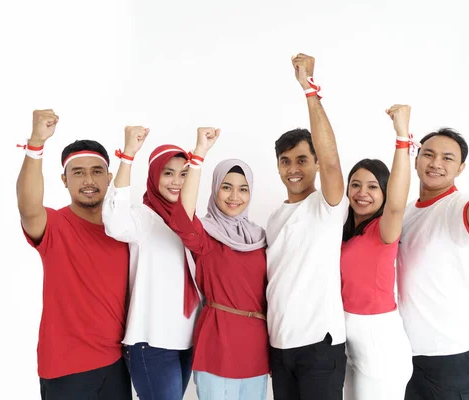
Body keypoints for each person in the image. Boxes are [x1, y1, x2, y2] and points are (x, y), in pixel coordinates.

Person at [16, 109, 132, 400]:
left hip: (118, 363)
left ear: (108, 177)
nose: (88, 180)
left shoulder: (126, 229)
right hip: (67, 368)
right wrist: (36, 144)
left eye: (95, 171)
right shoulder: (54, 225)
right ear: (64, 180)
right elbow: (28, 208)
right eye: (77, 173)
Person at [398, 100, 469, 399]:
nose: (436, 163)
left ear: (460, 168)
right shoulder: (406, 213)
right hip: (412, 359)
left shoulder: (457, 207)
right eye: (429, 154)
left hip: (456, 358)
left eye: (448, 158)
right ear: (416, 158)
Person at [162, 127, 269, 400]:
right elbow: (183, 216)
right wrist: (199, 154)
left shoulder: (261, 237)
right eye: (227, 187)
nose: (235, 197)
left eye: (243, 189)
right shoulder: (206, 235)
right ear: (215, 189)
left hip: (256, 346)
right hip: (218, 344)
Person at [265, 53, 348, 400]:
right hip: (279, 347)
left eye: (302, 159)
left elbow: (332, 162)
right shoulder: (273, 217)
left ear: (314, 162)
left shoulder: (326, 206)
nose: (293, 168)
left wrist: (309, 90)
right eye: (285, 161)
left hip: (319, 346)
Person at [101, 126, 200, 400]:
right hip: (152, 343)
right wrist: (128, 156)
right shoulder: (143, 218)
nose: (176, 181)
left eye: (184, 174)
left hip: (186, 340)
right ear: (154, 176)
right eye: (168, 173)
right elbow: (113, 221)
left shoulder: (190, 223)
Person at [341, 104, 413, 399]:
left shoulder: (384, 231)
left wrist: (402, 137)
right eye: (355, 184)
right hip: (348, 338)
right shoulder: (343, 232)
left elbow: (397, 203)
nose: (362, 192)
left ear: (384, 192)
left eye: (373, 186)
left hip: (379, 340)